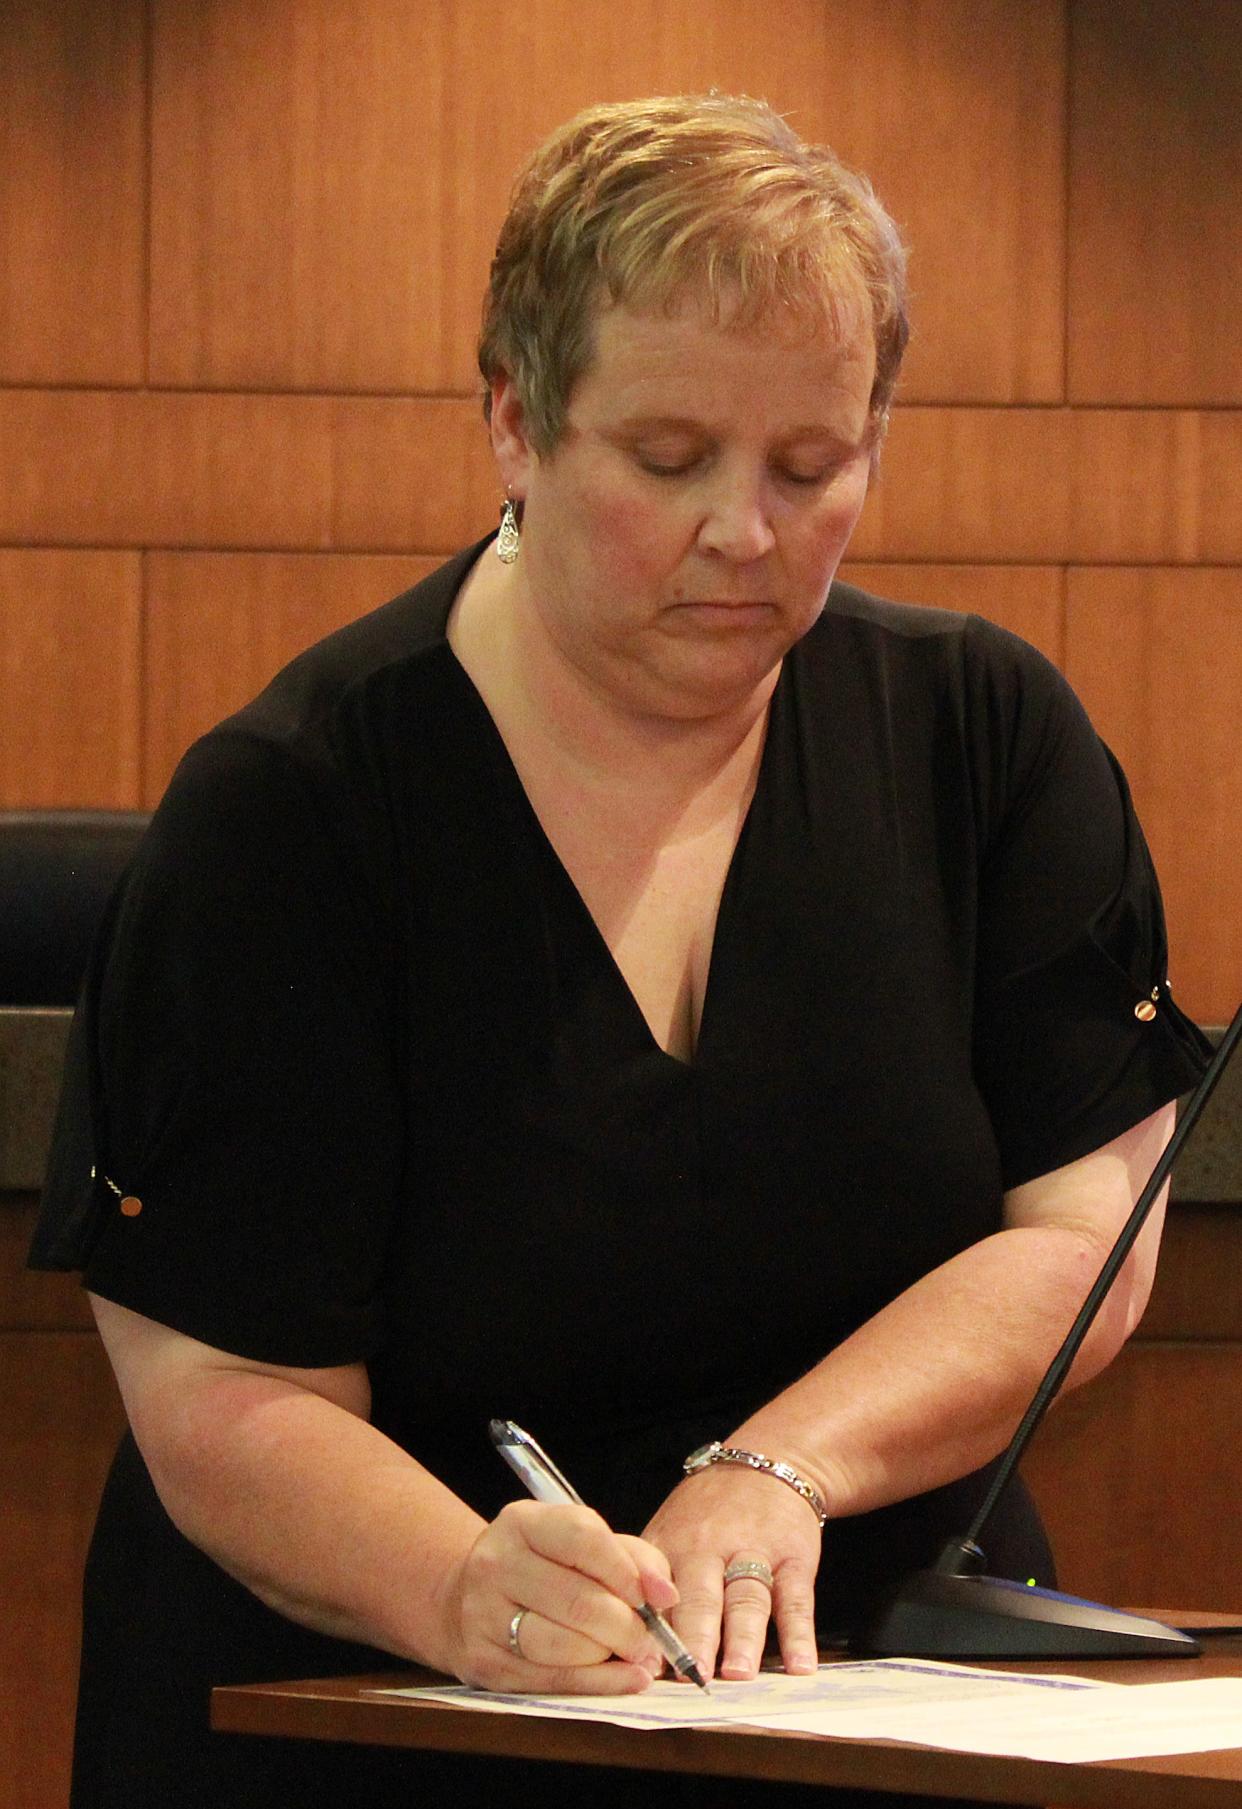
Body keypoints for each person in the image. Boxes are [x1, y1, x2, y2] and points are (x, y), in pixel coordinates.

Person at [32, 93, 1210, 1809]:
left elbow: (1085, 1232)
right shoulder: (294, 807)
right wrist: (461, 1585)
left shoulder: (983, 731)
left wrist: (779, 1467)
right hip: (375, 1691)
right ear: (512, 421)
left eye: (812, 466)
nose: (745, 529)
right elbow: (224, 1392)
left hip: (862, 1701)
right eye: (668, 462)